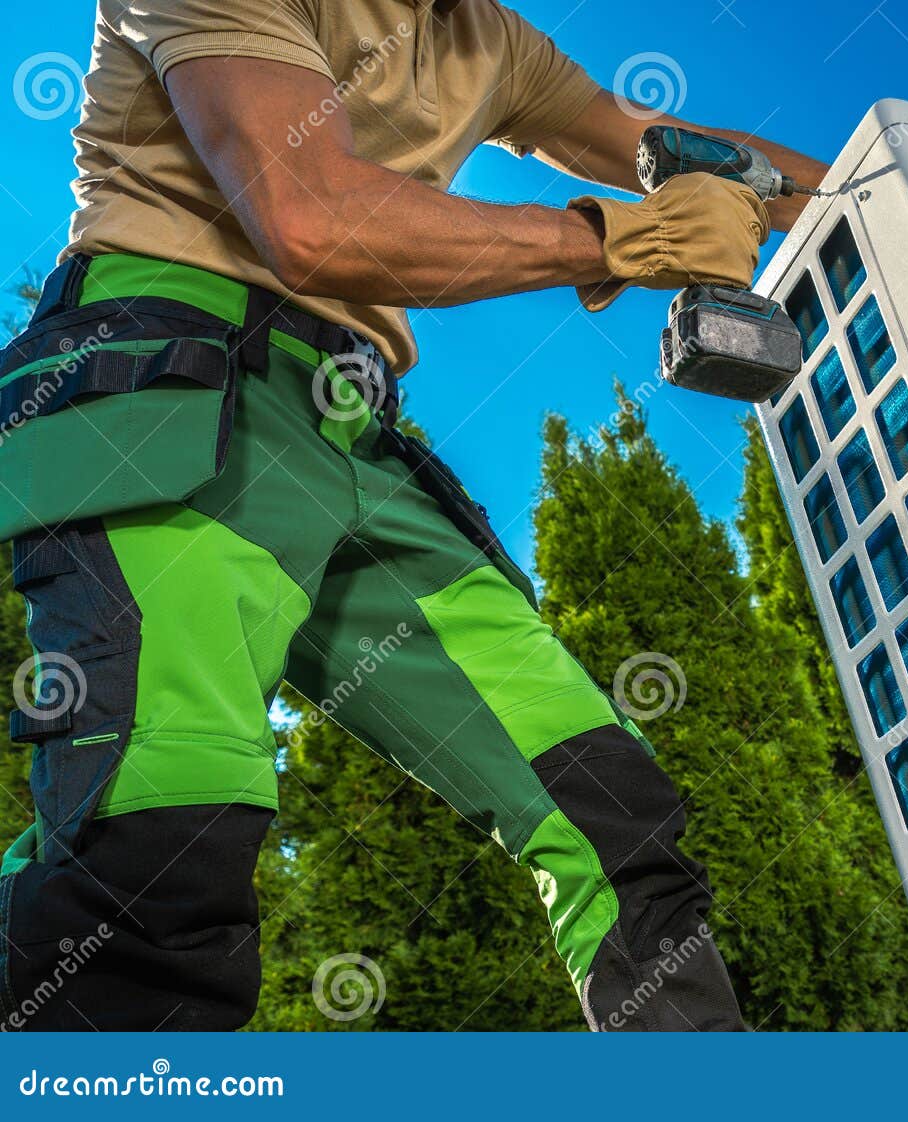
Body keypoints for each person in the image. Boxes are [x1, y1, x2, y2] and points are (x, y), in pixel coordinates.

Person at [0, 0, 832, 1032]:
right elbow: (308, 217)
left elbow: (677, 150)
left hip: (355, 427)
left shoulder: (487, 38)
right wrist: (621, 239)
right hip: (177, 382)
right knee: (163, 825)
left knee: (608, 814)